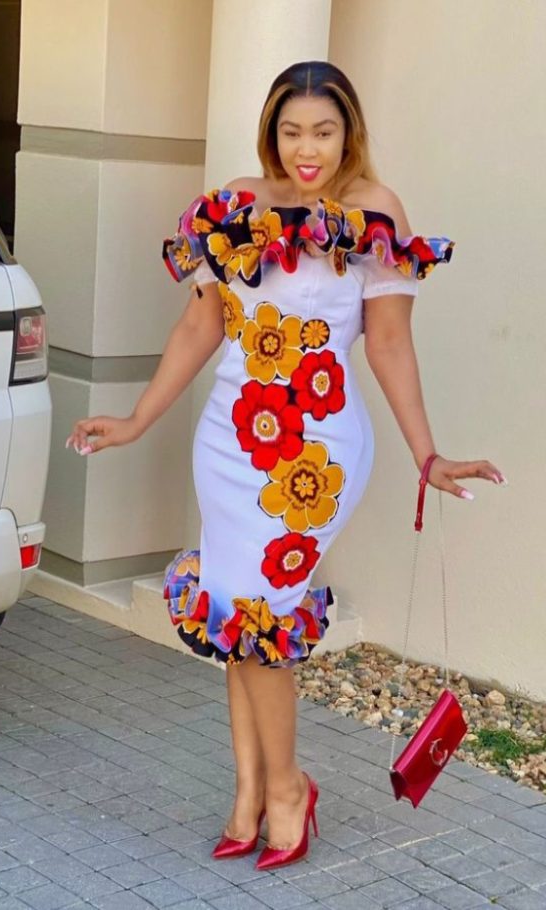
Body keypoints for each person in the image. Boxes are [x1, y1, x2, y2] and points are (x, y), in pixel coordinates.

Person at [66, 60, 505, 870]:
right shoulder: (235, 205)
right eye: (293, 131)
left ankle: (290, 789)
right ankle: (250, 793)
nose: (308, 150)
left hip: (319, 454)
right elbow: (200, 326)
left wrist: (427, 454)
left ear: (349, 133)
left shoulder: (376, 212)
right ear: (272, 133)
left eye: (324, 132)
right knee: (237, 617)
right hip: (230, 443)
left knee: (265, 619)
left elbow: (389, 343)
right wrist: (135, 420)